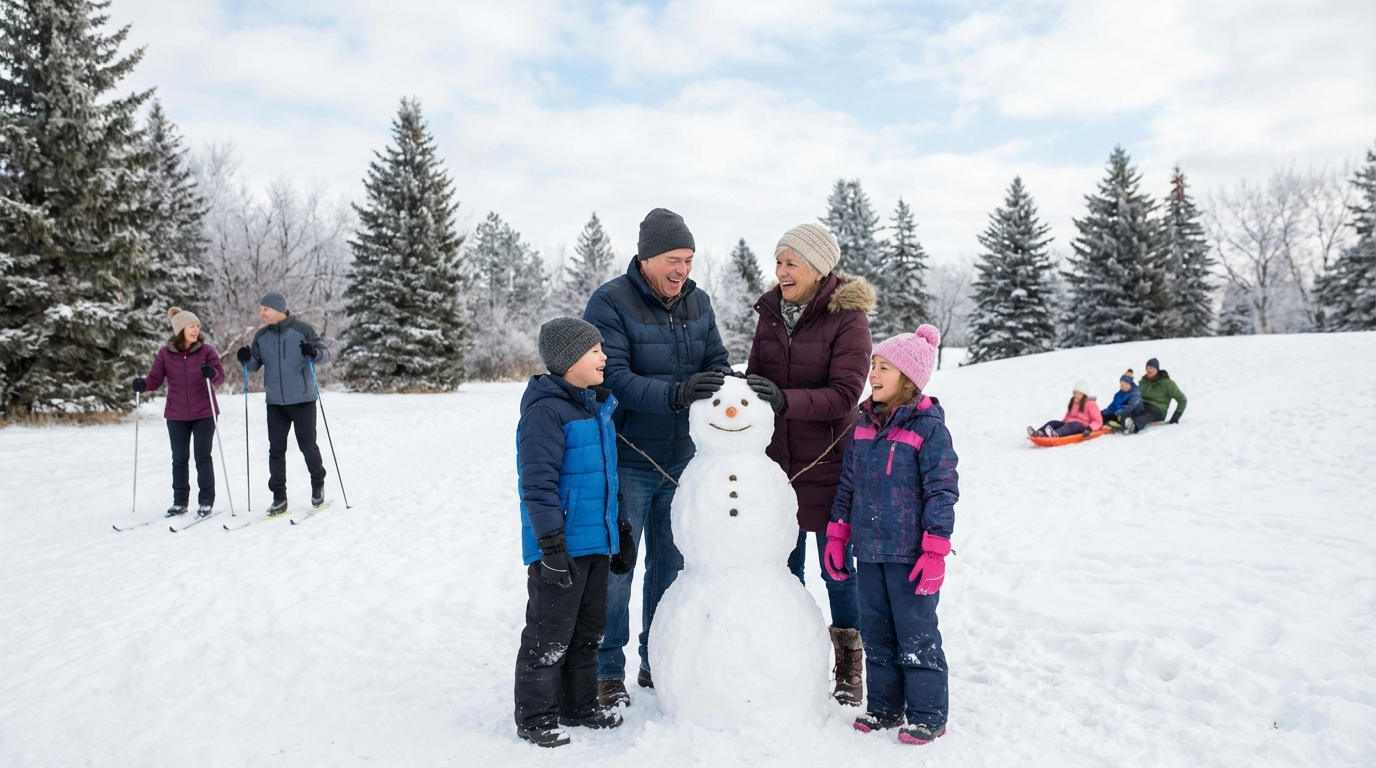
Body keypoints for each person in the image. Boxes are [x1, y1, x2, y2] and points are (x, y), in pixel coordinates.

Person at [582, 208, 732, 708]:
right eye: (673, 259)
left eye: (689, 260)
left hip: (684, 462)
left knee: (670, 569)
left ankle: (656, 659)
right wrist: (677, 394)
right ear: (647, 257)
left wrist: (725, 390)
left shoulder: (698, 301)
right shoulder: (609, 303)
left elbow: (716, 361)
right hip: (628, 458)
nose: (682, 270)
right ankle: (607, 671)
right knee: (617, 572)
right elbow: (613, 378)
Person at [744, 222, 874, 705]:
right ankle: (792, 658)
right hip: (778, 465)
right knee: (784, 567)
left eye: (790, 263)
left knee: (837, 568)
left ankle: (848, 661)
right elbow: (759, 374)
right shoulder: (771, 313)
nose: (780, 272)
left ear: (818, 268)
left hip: (831, 463)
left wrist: (783, 400)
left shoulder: (848, 318)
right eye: (777, 262)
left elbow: (846, 395)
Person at [824, 324, 958, 746]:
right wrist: (837, 534)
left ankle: (927, 712)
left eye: (884, 367)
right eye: (873, 366)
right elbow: (848, 484)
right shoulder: (862, 426)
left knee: (915, 632)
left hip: (910, 554)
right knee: (877, 632)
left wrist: (935, 550)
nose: (873, 374)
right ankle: (884, 706)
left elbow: (942, 490)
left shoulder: (929, 429)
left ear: (909, 378)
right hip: (869, 550)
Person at [513, 318, 632, 748]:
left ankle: (578, 704)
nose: (604, 357)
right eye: (595, 350)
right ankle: (535, 716)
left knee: (588, 632)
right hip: (561, 546)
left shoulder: (596, 408)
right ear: (567, 361)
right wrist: (550, 545)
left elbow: (608, 478)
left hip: (596, 542)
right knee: (549, 634)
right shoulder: (546, 412)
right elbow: (537, 483)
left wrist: (620, 529)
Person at [235, 291, 331, 515]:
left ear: (278, 309)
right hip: (275, 404)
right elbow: (254, 365)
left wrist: (313, 351)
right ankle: (279, 497)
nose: (261, 313)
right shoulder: (261, 336)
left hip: (303, 400)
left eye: (265, 309)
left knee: (308, 447)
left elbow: (326, 355)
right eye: (261, 309)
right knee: (276, 451)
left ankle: (318, 483)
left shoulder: (303, 329)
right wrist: (245, 359)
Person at [133, 307, 227, 517]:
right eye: (191, 326)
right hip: (176, 415)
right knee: (179, 459)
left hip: (204, 412)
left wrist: (211, 373)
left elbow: (220, 377)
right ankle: (180, 502)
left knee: (203, 457)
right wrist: (142, 384)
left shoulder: (207, 351)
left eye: (197, 326)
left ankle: (205, 501)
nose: (195, 330)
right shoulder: (165, 354)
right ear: (180, 329)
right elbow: (155, 380)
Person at [1028, 380, 1103, 438]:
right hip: (1069, 425)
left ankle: (1056, 434)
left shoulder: (1091, 404)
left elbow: (1098, 421)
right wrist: (1060, 424)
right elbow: (1068, 416)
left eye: (1079, 394)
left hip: (1082, 427)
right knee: (1053, 423)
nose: (1076, 396)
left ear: (1084, 395)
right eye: (1075, 393)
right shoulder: (1073, 402)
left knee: (1073, 425)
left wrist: (1089, 429)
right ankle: (1039, 433)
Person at [1132, 357, 1187, 433]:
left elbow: (1182, 400)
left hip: (1157, 410)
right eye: (1147, 368)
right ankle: (1114, 420)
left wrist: (1175, 417)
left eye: (1151, 367)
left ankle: (1133, 426)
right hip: (1142, 406)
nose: (1148, 370)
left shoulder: (1167, 383)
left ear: (1157, 369)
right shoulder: (1143, 382)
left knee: (1147, 415)